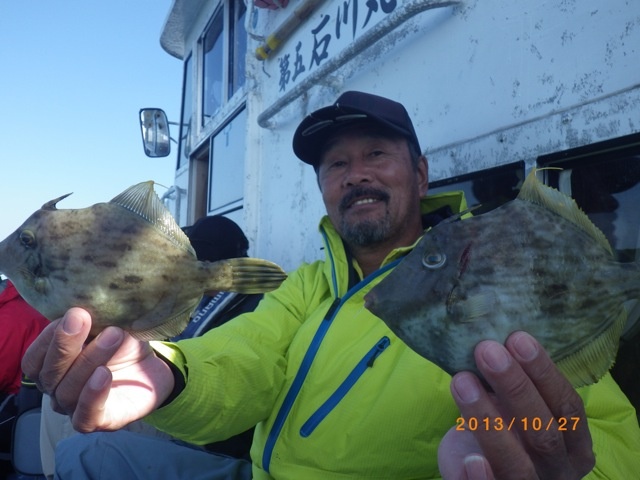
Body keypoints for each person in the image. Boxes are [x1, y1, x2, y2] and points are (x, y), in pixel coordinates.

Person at [22, 91, 640, 479]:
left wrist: (557, 463)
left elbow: (604, 431)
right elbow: (246, 359)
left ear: (421, 175)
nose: (355, 175)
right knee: (84, 452)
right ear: (322, 187)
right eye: (336, 164)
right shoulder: (310, 284)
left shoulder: (485, 267)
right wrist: (167, 372)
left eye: (377, 155)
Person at [38, 215, 261, 477]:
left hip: (205, 435)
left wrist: (166, 382)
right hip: (178, 395)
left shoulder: (248, 307)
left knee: (76, 426)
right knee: (62, 395)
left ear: (208, 262)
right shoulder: (205, 297)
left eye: (188, 257)